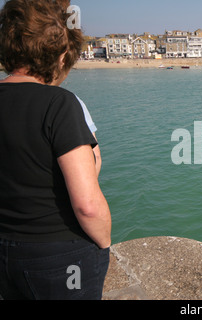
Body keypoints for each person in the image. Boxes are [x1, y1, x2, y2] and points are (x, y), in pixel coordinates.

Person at [0, 0, 111, 300]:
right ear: (61, 56)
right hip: (59, 258)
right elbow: (86, 204)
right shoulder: (59, 104)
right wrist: (104, 243)